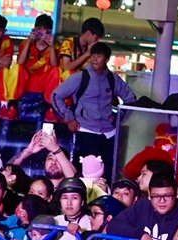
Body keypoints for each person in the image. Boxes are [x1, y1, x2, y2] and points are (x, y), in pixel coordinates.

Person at [50, 42, 136, 177]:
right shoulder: (80, 77)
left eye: (99, 56)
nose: (95, 59)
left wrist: (119, 117)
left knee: (108, 175)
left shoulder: (113, 79)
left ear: (107, 59)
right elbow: (55, 96)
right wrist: (69, 118)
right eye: (93, 56)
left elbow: (131, 99)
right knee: (84, 175)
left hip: (109, 134)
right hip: (85, 131)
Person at [106, 172, 178, 240]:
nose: (162, 201)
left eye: (167, 195)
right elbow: (113, 225)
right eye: (156, 196)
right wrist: (141, 235)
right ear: (149, 194)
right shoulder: (143, 205)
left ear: (177, 193)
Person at [13, 14, 59, 104]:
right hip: (27, 79)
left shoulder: (55, 46)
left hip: (44, 80)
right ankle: (13, 104)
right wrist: (29, 42)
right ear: (34, 29)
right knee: (17, 68)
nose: (41, 33)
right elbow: (20, 62)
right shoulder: (25, 43)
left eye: (44, 30)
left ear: (49, 31)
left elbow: (54, 66)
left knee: (56, 71)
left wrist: (52, 47)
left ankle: (50, 106)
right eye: (38, 29)